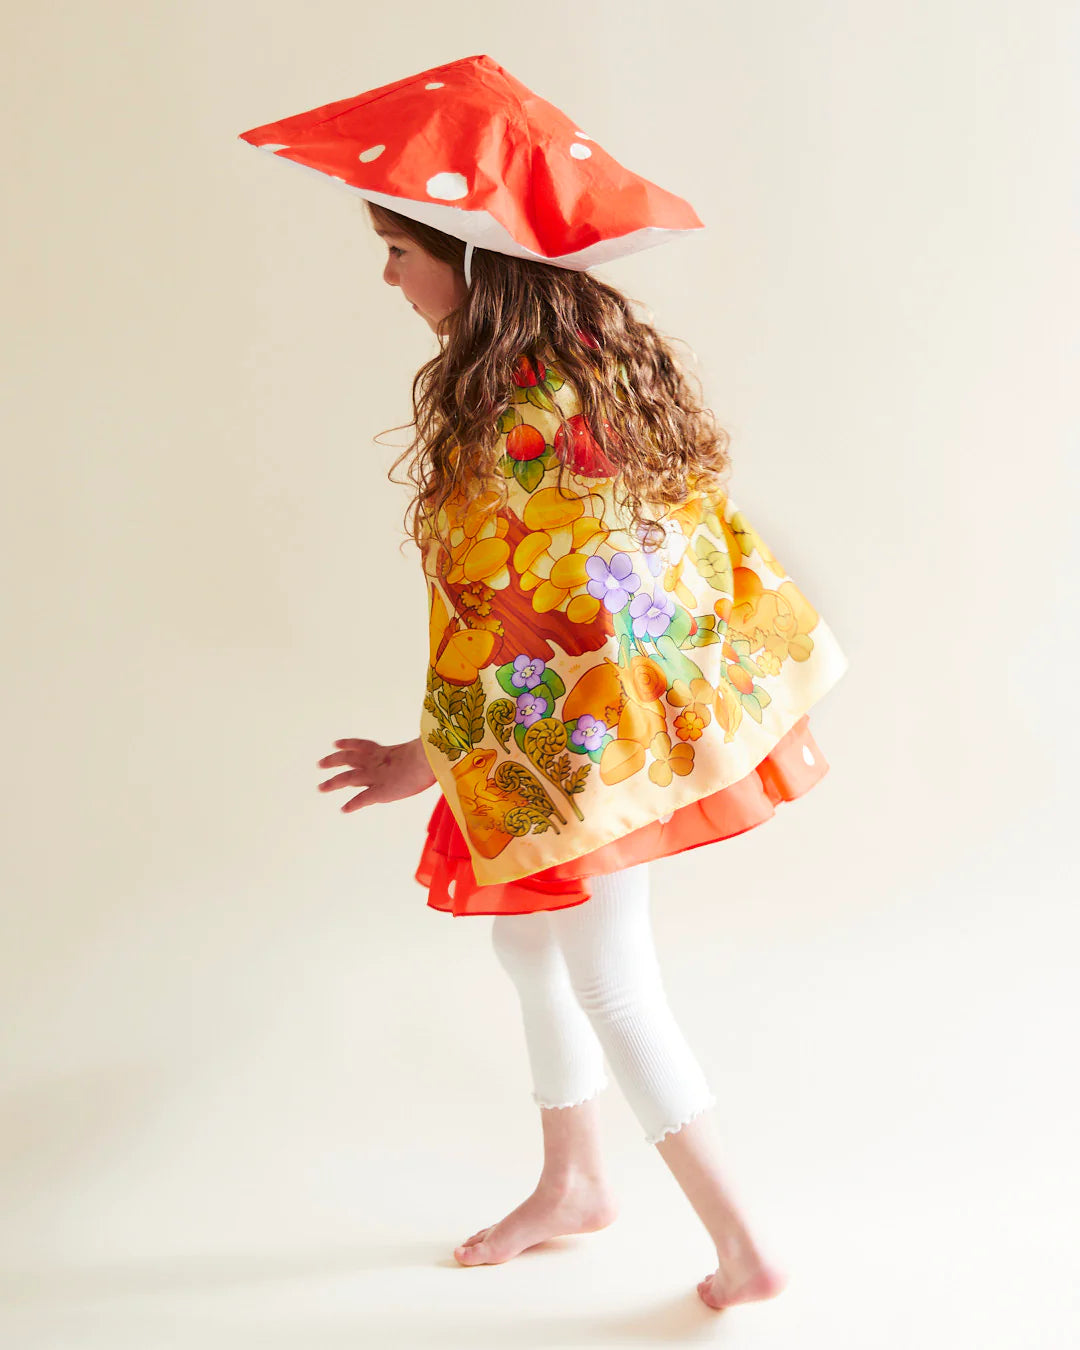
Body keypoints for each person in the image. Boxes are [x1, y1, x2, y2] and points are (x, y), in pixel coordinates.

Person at [245, 52, 849, 1313]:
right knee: (535, 952)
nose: (388, 277)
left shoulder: (512, 419)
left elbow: (504, 620)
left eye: (399, 251)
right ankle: (575, 1179)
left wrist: (431, 752)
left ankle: (743, 1243)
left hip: (573, 738)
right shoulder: (595, 377)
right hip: (617, 713)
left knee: (614, 980)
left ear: (467, 260)